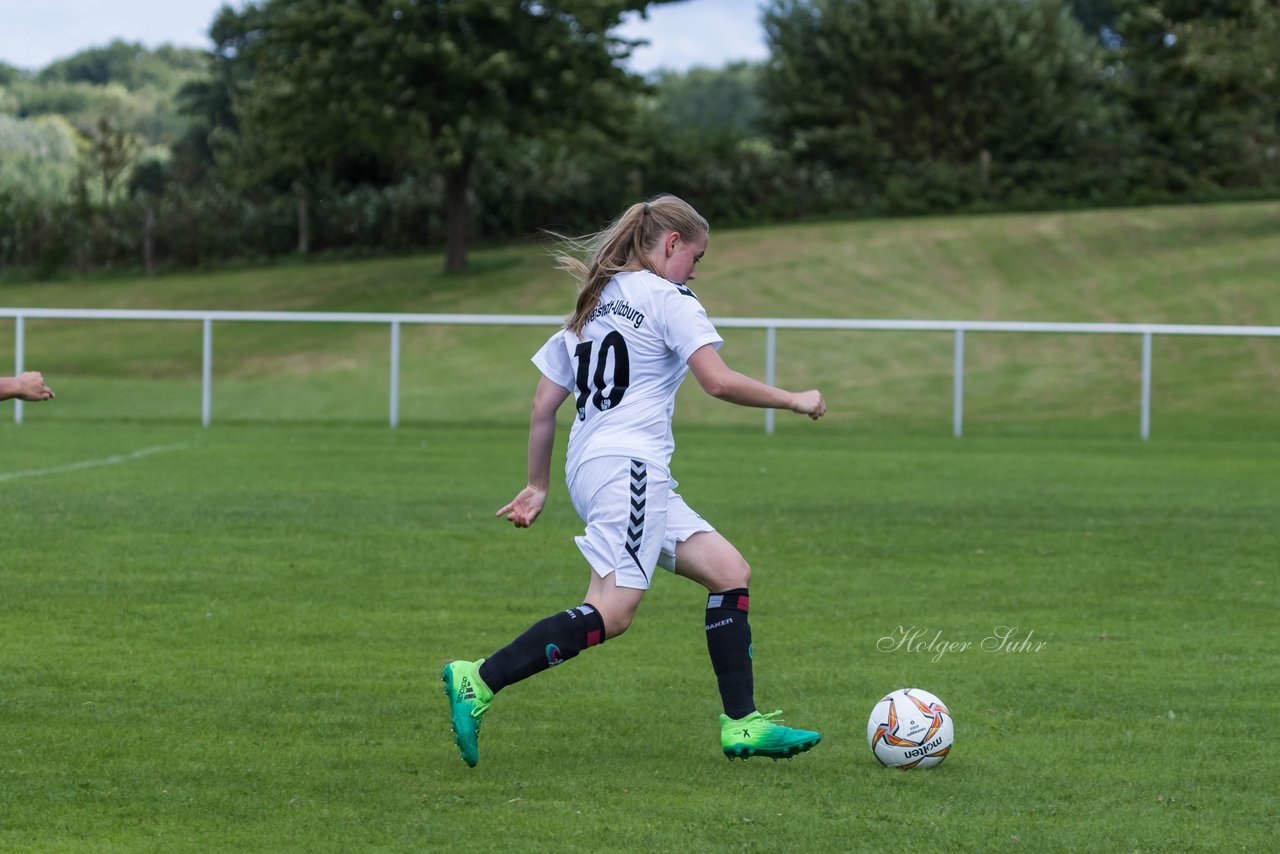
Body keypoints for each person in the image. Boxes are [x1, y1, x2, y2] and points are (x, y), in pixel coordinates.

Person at [442, 194, 826, 768]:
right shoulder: (671, 299)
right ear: (672, 244)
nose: (697, 270)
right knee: (611, 611)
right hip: (629, 468)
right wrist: (795, 399)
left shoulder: (594, 302)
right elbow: (717, 382)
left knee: (729, 573)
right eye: (696, 257)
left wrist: (538, 485)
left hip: (595, 467)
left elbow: (544, 405)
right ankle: (480, 678)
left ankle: (742, 724)